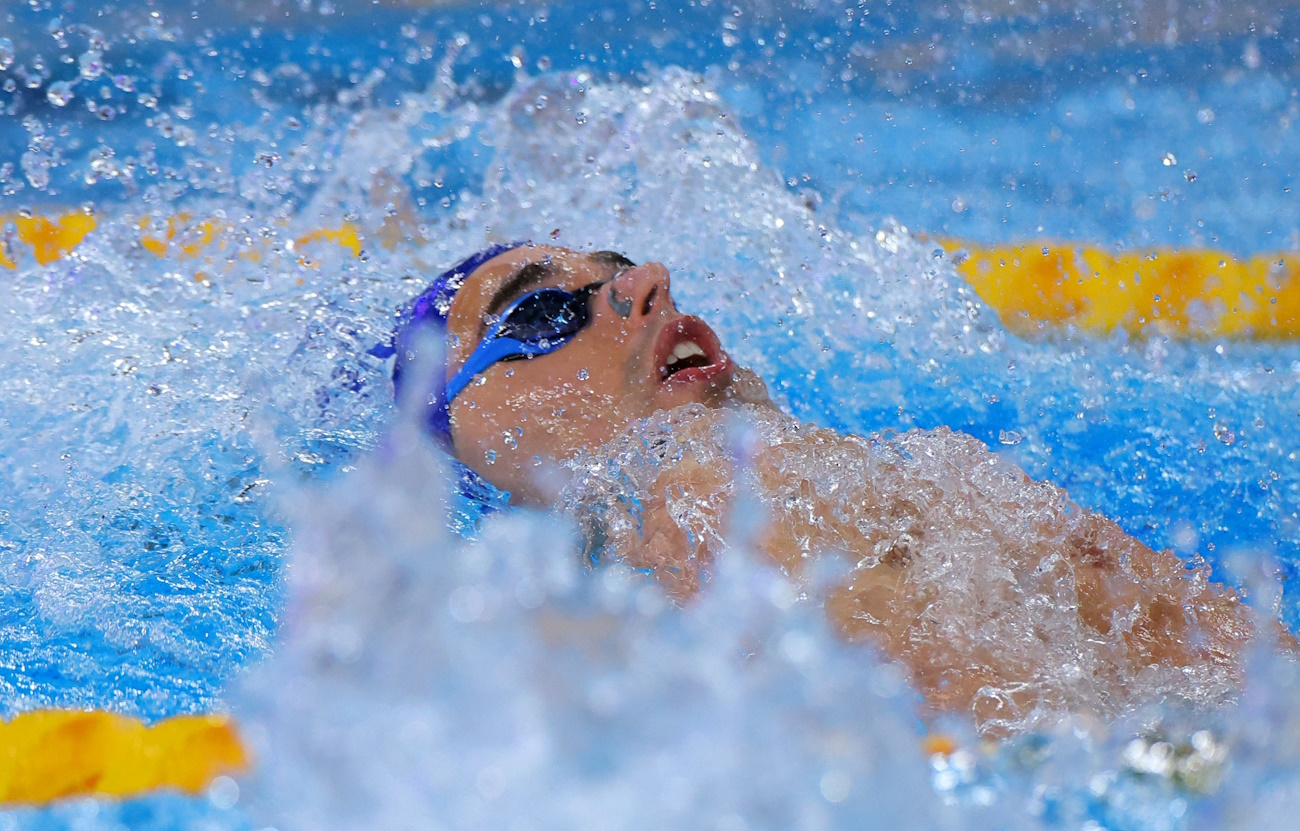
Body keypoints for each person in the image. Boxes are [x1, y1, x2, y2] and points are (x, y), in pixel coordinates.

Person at [392, 241, 1259, 735]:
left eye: (614, 269)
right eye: (542, 314)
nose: (648, 280)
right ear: (471, 457)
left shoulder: (903, 480)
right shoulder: (712, 497)